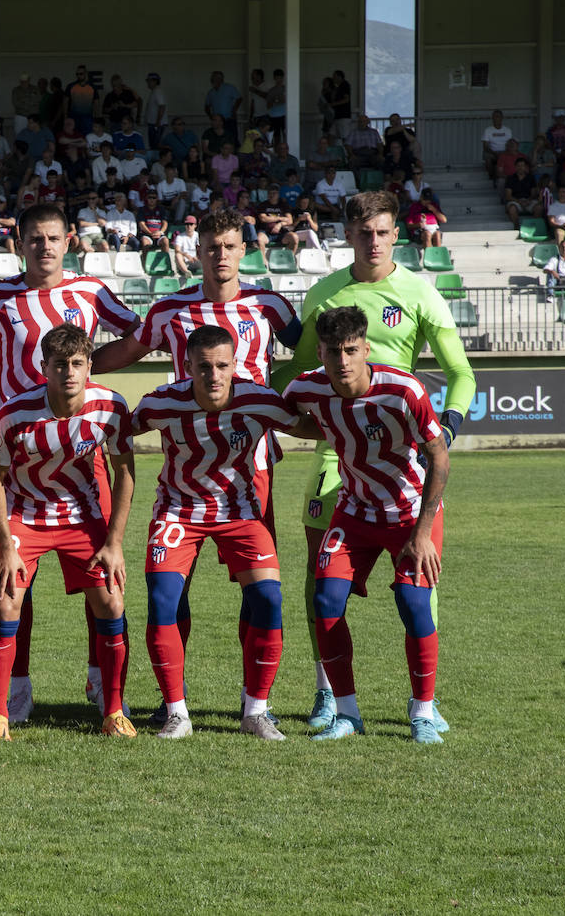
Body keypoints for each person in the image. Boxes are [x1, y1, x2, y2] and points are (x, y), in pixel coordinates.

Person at [272, 191, 474, 732]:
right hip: (334, 456)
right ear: (349, 235)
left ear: (395, 234)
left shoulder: (417, 292)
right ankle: (328, 695)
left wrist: (448, 423)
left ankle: (425, 704)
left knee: (418, 590)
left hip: (403, 458)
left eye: (384, 232)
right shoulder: (324, 292)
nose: (375, 242)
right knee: (324, 588)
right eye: (365, 233)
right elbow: (295, 377)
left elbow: (462, 372)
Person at [0, 202, 140, 723]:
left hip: (81, 458)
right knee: (14, 586)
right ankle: (19, 687)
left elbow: (138, 336)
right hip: (19, 450)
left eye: (53, 238)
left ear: (68, 240)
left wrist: (94, 370)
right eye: (35, 239)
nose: (45, 247)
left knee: (99, 578)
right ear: (20, 243)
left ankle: (101, 682)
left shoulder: (91, 292)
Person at [135, 323, 322, 739]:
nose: (213, 375)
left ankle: (256, 711)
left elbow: (309, 427)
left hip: (239, 513)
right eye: (204, 366)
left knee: (269, 600)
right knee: (163, 602)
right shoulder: (161, 403)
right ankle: (177, 713)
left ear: (235, 365)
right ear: (187, 366)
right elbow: (116, 432)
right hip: (177, 512)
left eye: (222, 365)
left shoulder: (259, 400)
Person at [283, 305, 451, 744]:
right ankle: (347, 712)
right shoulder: (307, 387)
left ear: (366, 348)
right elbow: (287, 417)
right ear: (320, 351)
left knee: (414, 606)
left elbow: (439, 455)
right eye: (334, 351)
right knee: (325, 600)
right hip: (354, 511)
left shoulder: (402, 390)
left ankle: (423, 710)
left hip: (409, 514)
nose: (342, 360)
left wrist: (422, 533)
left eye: (351, 350)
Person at [0, 323, 136, 740]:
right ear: (43, 367)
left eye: (78, 363)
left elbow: (124, 472)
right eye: (60, 364)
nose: (69, 372)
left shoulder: (110, 407)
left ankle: (114, 710)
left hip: (81, 516)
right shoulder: (14, 413)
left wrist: (115, 543)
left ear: (89, 367)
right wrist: (4, 544)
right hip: (24, 515)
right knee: (6, 601)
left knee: (112, 603)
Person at [503, 158, 540, 228]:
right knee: (512, 209)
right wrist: (519, 201)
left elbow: (534, 193)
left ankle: (535, 228)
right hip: (515, 201)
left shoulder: (531, 178)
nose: (520, 168)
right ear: (515, 167)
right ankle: (517, 229)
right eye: (518, 166)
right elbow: (508, 196)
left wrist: (528, 200)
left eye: (522, 165)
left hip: (529, 200)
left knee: (539, 208)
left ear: (525, 167)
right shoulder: (510, 178)